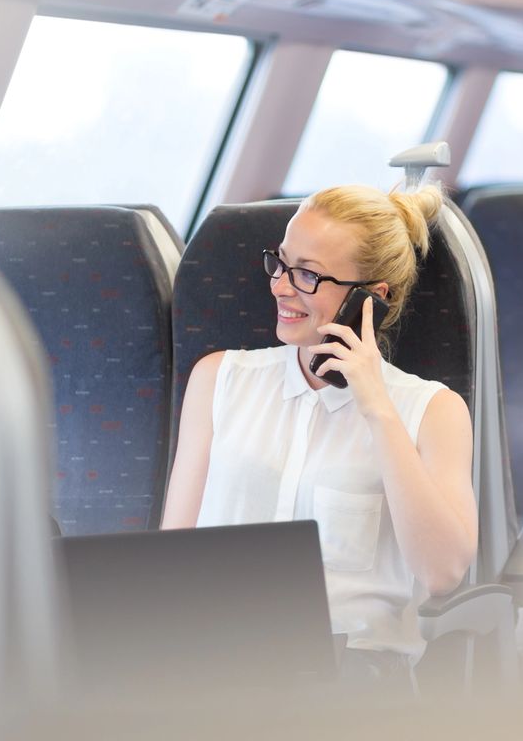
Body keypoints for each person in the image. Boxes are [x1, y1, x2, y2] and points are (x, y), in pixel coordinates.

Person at [162, 183, 477, 696]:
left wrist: (376, 408)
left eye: (307, 275)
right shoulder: (218, 380)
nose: (281, 286)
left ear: (372, 297)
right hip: (216, 670)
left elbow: (442, 572)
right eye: (280, 264)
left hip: (349, 686)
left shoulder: (432, 411)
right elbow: (170, 561)